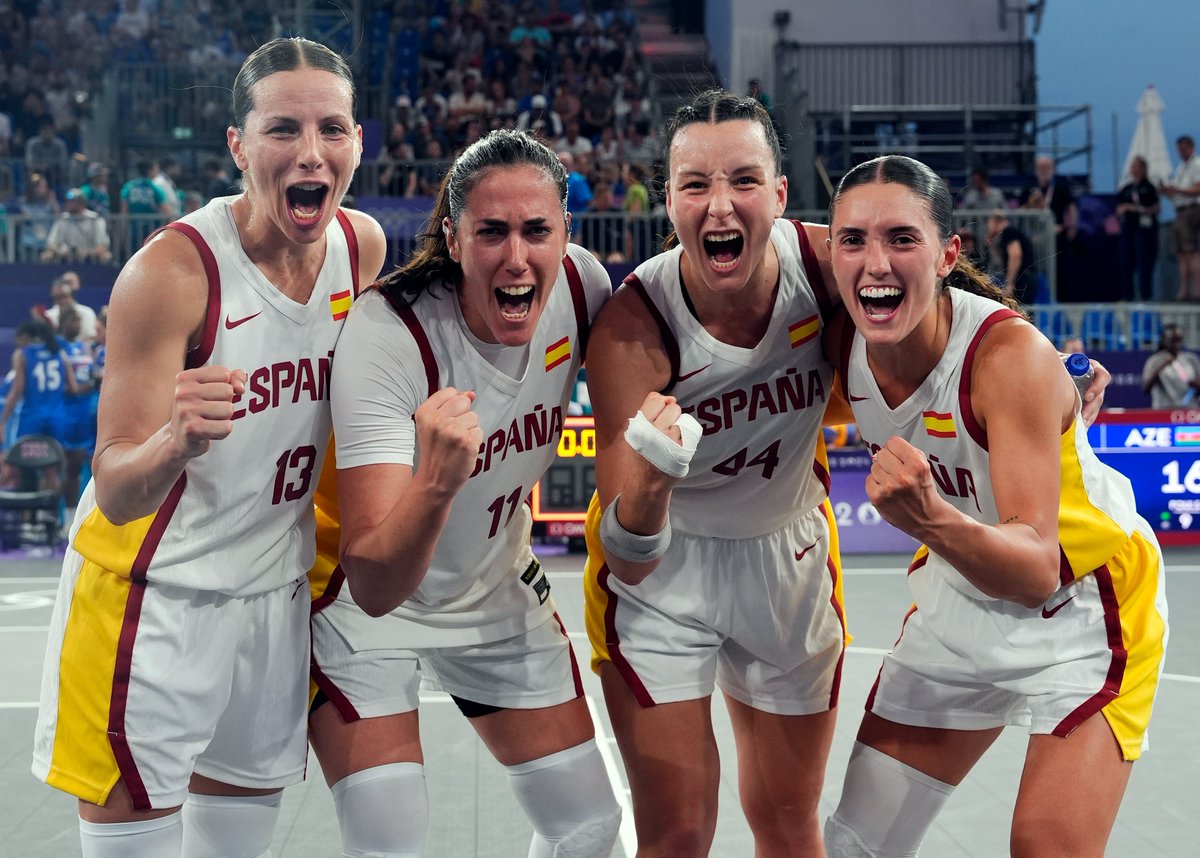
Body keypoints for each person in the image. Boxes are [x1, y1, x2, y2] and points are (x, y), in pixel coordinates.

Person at [31, 36, 386, 858]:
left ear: (358, 141)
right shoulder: (173, 274)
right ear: (238, 145)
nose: (311, 152)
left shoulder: (360, 248)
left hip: (272, 598)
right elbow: (117, 489)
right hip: (154, 600)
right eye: (281, 130)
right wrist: (172, 441)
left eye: (333, 128)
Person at [821, 154, 1167, 858]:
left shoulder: (1007, 359)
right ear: (829, 251)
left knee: (1045, 847)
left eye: (902, 239)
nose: (874, 261)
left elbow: (1039, 565)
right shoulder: (838, 347)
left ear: (950, 253)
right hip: (959, 607)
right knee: (856, 844)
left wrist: (929, 520)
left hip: (1082, 609)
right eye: (852, 240)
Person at [307, 129, 622, 858]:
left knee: (588, 826)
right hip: (364, 605)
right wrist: (438, 481)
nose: (517, 257)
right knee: (392, 844)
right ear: (452, 238)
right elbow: (378, 579)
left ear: (565, 233)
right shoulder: (388, 337)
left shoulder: (584, 289)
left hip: (491, 583)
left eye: (537, 230)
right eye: (492, 232)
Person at [582, 89, 848, 856]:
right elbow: (630, 554)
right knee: (676, 837)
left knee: (792, 828)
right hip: (668, 577)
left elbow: (948, 314)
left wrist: (1057, 372)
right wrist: (656, 477)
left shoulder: (829, 263)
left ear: (780, 194)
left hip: (787, 555)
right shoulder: (636, 326)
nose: (720, 205)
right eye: (695, 184)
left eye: (742, 180)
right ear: (668, 200)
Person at [0, 319, 73, 448]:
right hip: (57, 415)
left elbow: (18, 389)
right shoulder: (60, 353)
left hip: (31, 415)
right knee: (54, 460)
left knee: (24, 461)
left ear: (25, 337)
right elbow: (73, 387)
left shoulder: (22, 354)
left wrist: (3, 420)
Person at [1115, 156, 1161, 302]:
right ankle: (1127, 295)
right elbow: (1118, 207)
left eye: (1136, 166)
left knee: (1145, 261)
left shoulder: (1149, 187)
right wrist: (1122, 209)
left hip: (1145, 230)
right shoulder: (1127, 188)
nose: (1133, 169)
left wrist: (1137, 209)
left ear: (1143, 168)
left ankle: (1145, 295)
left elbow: (1156, 208)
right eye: (1132, 166)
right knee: (1126, 261)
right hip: (1128, 228)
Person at [1161, 134, 1200, 301]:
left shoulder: (1197, 164)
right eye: (1179, 150)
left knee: (1191, 251)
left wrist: (1178, 190)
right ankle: (1184, 290)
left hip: (1191, 209)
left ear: (1190, 147)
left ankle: (1196, 290)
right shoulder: (1181, 167)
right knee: (1181, 253)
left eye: (1183, 149)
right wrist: (1168, 191)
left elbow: (1197, 189)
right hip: (1179, 210)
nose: (1181, 153)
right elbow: (1180, 191)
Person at [42, 188, 113, 264]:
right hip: (65, 257)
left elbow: (102, 246)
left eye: (72, 201)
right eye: (68, 201)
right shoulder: (63, 219)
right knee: (47, 255)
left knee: (106, 256)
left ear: (81, 203)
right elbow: (51, 243)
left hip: (90, 257)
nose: (68, 204)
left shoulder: (95, 219)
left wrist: (86, 253)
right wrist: (60, 251)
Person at [985, 208, 1038, 304]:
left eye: (990, 223)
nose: (988, 227)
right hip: (1022, 278)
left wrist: (1009, 283)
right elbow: (1002, 261)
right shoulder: (1007, 235)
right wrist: (991, 245)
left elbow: (1016, 255)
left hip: (1023, 279)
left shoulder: (1009, 232)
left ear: (996, 221)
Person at [1141, 323, 1200, 408]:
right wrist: (1161, 366)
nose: (1177, 345)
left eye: (1179, 340)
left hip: (1189, 411)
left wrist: (1195, 384)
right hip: (1163, 411)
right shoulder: (1154, 361)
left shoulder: (1191, 359)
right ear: (1164, 340)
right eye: (1173, 341)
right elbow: (1145, 388)